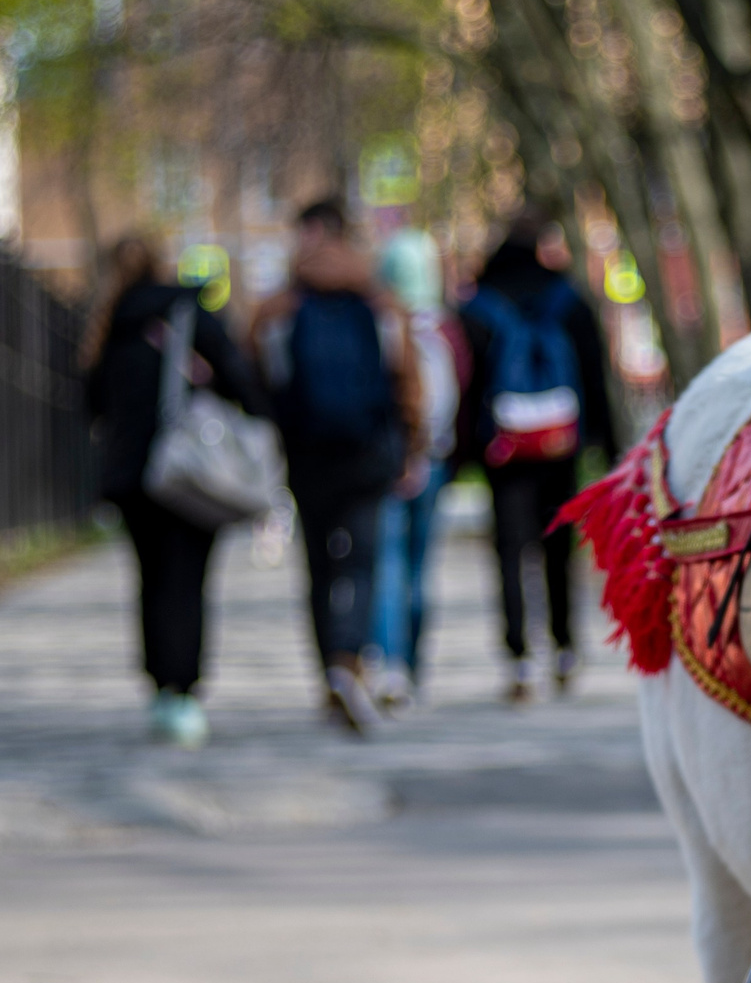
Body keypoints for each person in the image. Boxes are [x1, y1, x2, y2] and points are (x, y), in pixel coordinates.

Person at [83, 233, 268, 749]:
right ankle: (184, 689)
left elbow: (93, 402)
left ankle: (160, 685)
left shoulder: (108, 325)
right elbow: (240, 379)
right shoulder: (188, 315)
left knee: (150, 579)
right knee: (189, 581)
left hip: (132, 476)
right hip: (190, 470)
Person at [253, 200, 424, 734]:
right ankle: (352, 661)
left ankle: (328, 672)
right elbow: (408, 381)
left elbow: (256, 377)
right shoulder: (381, 303)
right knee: (363, 561)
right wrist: (413, 444)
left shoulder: (278, 307)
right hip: (370, 451)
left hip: (306, 454)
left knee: (318, 566)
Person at [458, 217, 616, 703]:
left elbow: (466, 384)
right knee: (557, 544)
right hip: (560, 443)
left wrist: (463, 450)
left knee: (509, 549)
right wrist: (604, 443)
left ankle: (519, 656)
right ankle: (565, 646)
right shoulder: (567, 300)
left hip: (502, 448)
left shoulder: (477, 307)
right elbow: (595, 374)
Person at [371, 228, 465, 709]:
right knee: (417, 567)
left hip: (393, 457)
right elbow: (453, 396)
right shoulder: (442, 328)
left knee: (388, 565)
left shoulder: (386, 325)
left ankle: (390, 665)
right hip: (432, 457)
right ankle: (410, 665)